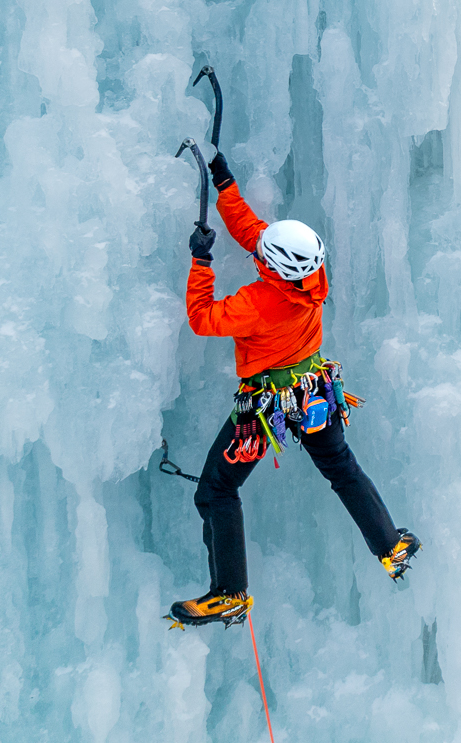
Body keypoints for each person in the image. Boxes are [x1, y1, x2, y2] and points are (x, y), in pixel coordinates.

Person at [168, 151, 419, 627]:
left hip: (268, 408)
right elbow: (255, 232)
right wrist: (225, 184)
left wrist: (201, 261)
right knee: (341, 469)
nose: (257, 250)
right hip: (315, 391)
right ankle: (391, 546)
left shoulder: (258, 303)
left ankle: (229, 592)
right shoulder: (312, 277)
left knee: (217, 490)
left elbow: (202, 320)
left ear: (272, 268)